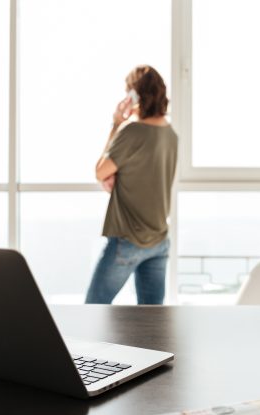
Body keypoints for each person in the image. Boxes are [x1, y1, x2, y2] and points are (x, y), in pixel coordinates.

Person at [85, 65, 178, 305]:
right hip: (159, 240)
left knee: (93, 309)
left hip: (128, 240)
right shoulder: (171, 135)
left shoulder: (132, 132)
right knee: (151, 324)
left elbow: (100, 170)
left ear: (135, 95)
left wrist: (116, 124)